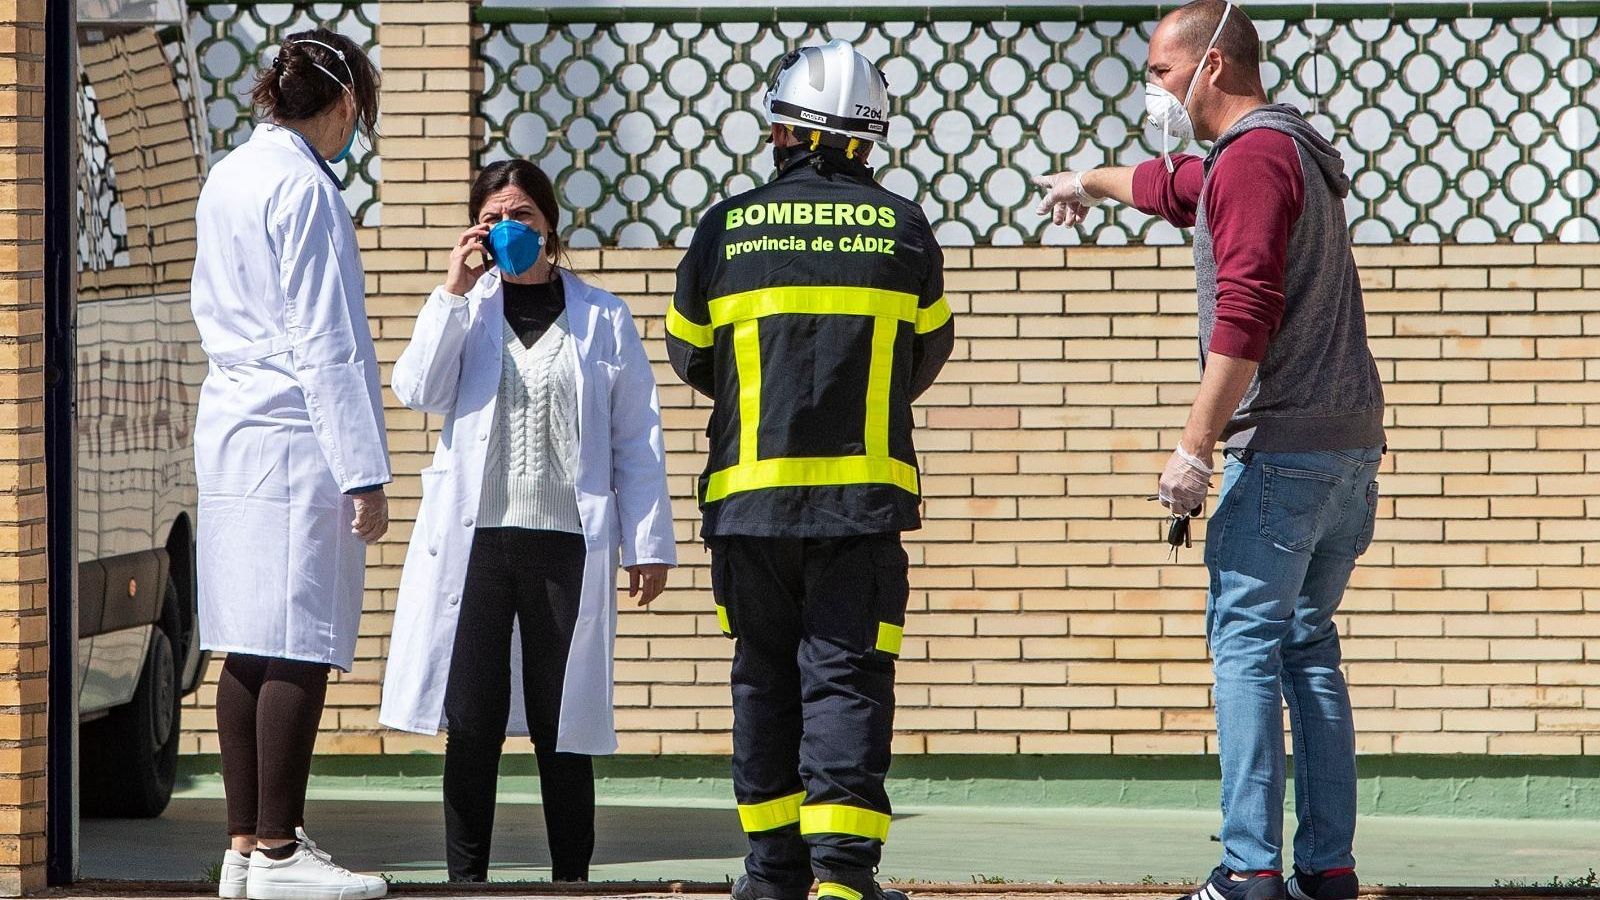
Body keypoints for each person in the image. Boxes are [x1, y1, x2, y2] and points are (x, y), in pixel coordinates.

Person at [1035, 4, 1383, 900]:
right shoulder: (1278, 153)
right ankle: (1327, 869)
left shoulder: (1256, 160)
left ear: (1213, 65)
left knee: (1245, 646)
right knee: (1306, 646)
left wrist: (1194, 449)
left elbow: (1246, 309)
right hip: (1344, 451)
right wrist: (1088, 180)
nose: (1153, 90)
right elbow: (1173, 188)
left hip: (1284, 454)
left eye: (1159, 71)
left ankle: (1249, 869)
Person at [667, 39, 954, 900]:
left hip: (749, 507)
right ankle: (842, 879)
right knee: (846, 679)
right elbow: (927, 352)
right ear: (868, 140)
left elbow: (691, 356)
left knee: (764, 680)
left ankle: (772, 877)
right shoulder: (903, 228)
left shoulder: (726, 227)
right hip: (859, 508)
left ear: (784, 131)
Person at [378, 159, 676, 883]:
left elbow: (636, 437)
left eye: (523, 217)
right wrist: (452, 291)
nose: (509, 229)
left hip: (566, 545)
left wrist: (647, 543)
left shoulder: (603, 316)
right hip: (478, 544)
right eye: (494, 219)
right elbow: (418, 389)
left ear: (550, 226)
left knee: (560, 722)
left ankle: (571, 880)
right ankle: (465, 883)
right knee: (472, 721)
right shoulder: (467, 310)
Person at [190, 28, 390, 900]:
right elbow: (327, 339)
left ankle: (244, 847)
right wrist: (363, 471)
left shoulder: (230, 173)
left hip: (233, 420)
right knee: (300, 638)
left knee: (246, 640)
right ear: (343, 104)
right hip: (295, 428)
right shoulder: (306, 188)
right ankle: (279, 851)